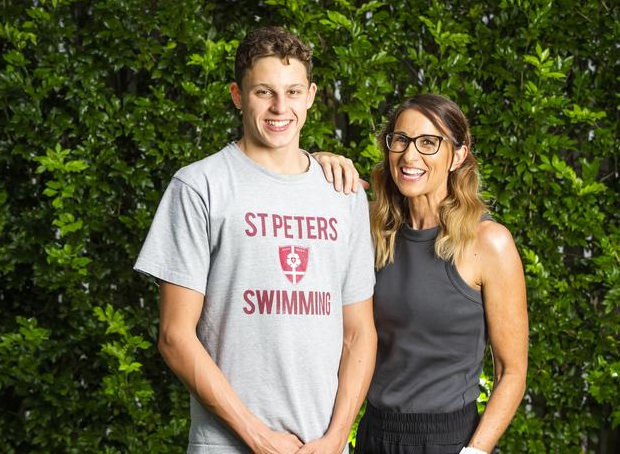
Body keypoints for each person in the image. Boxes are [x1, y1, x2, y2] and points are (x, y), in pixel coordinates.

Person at [134, 26, 377, 454]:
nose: (280, 107)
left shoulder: (344, 194)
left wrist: (337, 437)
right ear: (237, 95)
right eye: (264, 92)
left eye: (293, 92)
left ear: (312, 95)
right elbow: (175, 335)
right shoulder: (199, 187)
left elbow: (358, 333)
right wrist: (257, 436)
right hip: (226, 445)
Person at [314, 93, 528, 453]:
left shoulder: (489, 243)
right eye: (401, 140)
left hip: (449, 441)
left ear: (457, 155)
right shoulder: (366, 225)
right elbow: (295, 202)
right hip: (374, 434)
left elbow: (512, 372)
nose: (410, 156)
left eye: (429, 143)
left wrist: (475, 452)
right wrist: (317, 163)